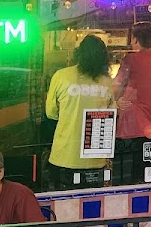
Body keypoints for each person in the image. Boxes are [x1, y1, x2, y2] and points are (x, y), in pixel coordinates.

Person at [46, 34, 113, 189]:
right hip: (95, 157)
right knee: (93, 201)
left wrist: (69, 116)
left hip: (64, 155)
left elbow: (51, 112)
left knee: (64, 201)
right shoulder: (107, 82)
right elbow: (112, 113)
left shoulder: (61, 76)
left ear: (79, 53)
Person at [112, 22, 151, 185]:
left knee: (125, 180)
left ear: (135, 40)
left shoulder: (130, 60)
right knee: (148, 178)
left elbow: (117, 86)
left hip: (130, 127)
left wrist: (117, 100)